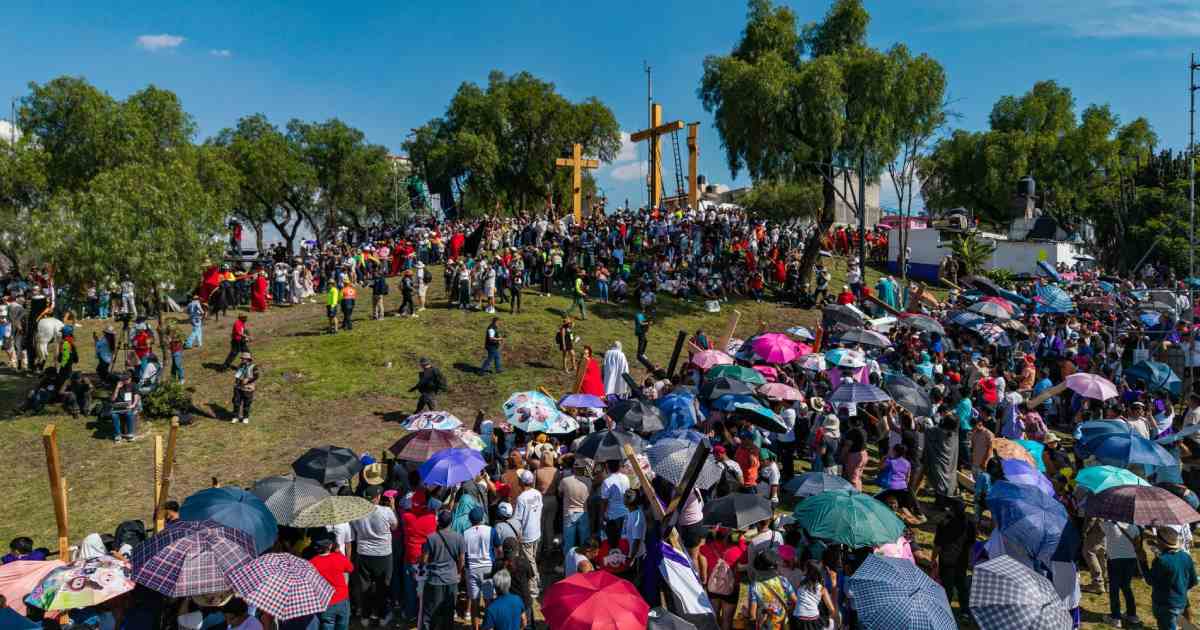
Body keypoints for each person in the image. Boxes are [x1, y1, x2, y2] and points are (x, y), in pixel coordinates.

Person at [351, 485, 398, 627]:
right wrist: (393, 507)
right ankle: (381, 615)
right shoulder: (386, 511)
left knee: (365, 586)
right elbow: (395, 526)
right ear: (377, 497)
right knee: (383, 585)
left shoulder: (357, 512)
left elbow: (354, 530)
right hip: (383, 554)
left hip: (364, 553)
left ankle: (365, 616)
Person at [421, 509, 465, 630]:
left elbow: (424, 560)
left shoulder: (431, 538)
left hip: (434, 579)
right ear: (451, 522)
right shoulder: (459, 537)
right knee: (449, 611)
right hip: (451, 579)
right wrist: (458, 572)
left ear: (438, 522)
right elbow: (461, 560)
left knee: (431, 611)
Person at [1148, 527, 1197, 630]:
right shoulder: (1185, 556)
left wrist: (1143, 562)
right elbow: (1193, 581)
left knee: (1169, 624)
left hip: (1165, 604)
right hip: (1181, 602)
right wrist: (1180, 589)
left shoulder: (1161, 561)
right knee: (1180, 621)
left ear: (1160, 542)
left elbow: (1150, 580)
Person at [1103, 519, 1146, 627]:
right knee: (1126, 586)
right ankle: (1132, 614)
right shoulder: (1134, 527)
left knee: (1114, 588)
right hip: (1131, 559)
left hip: (1114, 559)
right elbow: (1138, 543)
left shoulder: (1108, 525)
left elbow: (1100, 528)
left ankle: (1116, 617)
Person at [309, 533, 354, 630]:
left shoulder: (312, 562)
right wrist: (339, 552)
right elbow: (350, 568)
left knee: (327, 625)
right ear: (330, 546)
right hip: (342, 599)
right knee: (342, 625)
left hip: (325, 602)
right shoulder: (338, 557)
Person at [512, 469, 542, 598]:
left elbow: (517, 520)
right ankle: (535, 583)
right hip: (536, 532)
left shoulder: (521, 498)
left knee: (530, 562)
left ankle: (535, 587)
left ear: (521, 482)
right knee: (532, 559)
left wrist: (517, 536)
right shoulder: (537, 493)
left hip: (527, 535)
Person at [748, 549, 796, 630]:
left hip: (766, 625)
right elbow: (795, 601)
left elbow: (752, 613)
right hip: (784, 623)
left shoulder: (755, 586)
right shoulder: (783, 580)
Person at [463, 507, 494, 630]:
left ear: (470, 520)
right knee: (488, 600)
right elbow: (498, 549)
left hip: (471, 569)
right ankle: (488, 626)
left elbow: (463, 553)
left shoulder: (465, 533)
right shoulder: (491, 530)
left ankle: (475, 628)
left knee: (474, 601)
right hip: (487, 568)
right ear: (482, 518)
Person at [110, 371, 140, 442]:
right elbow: (113, 399)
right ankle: (118, 435)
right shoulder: (118, 385)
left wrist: (133, 405)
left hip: (129, 406)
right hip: (119, 406)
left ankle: (130, 434)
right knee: (114, 415)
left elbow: (136, 396)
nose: (124, 381)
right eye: (123, 379)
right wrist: (117, 388)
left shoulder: (134, 385)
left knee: (129, 414)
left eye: (126, 379)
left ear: (130, 379)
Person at [231, 352, 258, 424]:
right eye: (242, 358)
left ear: (248, 359)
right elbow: (237, 375)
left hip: (248, 388)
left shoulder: (253, 367)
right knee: (236, 402)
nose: (242, 360)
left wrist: (248, 380)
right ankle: (235, 417)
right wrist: (236, 383)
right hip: (238, 387)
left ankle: (245, 417)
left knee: (247, 403)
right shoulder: (240, 365)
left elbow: (256, 376)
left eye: (243, 358)